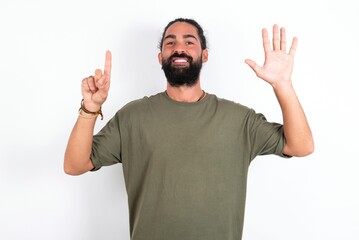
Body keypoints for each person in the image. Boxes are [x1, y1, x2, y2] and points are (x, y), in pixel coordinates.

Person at [64, 18, 314, 240]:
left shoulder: (238, 120)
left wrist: (283, 84)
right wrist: (90, 107)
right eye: (170, 43)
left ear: (204, 55)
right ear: (160, 57)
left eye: (189, 41)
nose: (179, 48)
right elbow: (75, 165)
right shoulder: (133, 117)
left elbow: (300, 146)